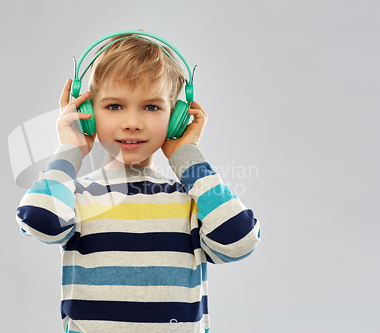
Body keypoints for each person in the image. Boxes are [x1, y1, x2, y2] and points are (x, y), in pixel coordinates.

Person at [16, 31, 261, 333]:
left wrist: (187, 156)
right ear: (87, 114)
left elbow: (239, 241)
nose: (132, 122)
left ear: (176, 118)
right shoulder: (73, 196)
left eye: (151, 107)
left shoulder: (191, 200)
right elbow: (39, 220)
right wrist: (71, 149)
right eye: (114, 106)